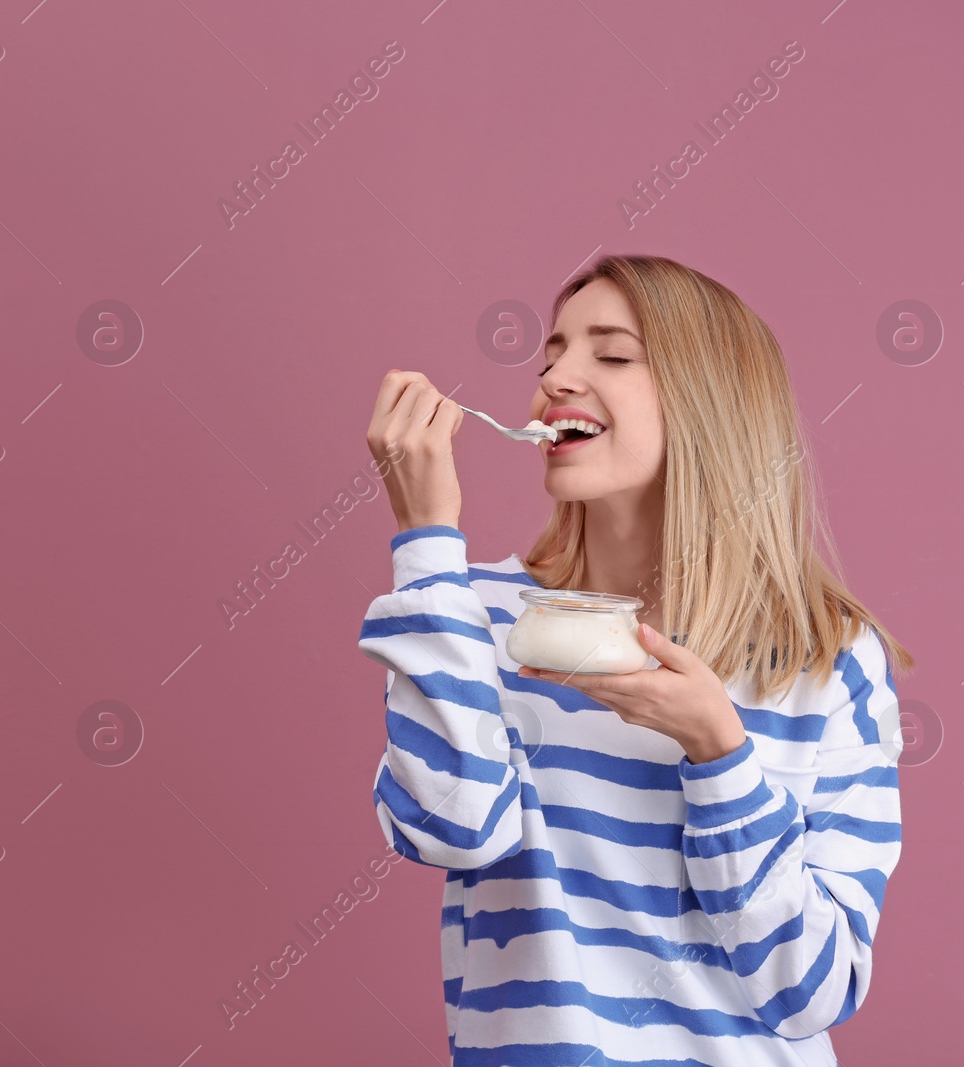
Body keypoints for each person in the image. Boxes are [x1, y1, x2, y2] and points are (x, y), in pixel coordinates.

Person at [357, 254, 913, 1066]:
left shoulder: (825, 658)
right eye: (550, 357)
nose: (556, 378)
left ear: (710, 406)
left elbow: (812, 991)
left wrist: (719, 753)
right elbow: (450, 826)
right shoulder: (466, 612)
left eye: (611, 355)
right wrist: (425, 541)